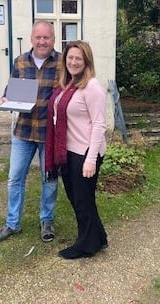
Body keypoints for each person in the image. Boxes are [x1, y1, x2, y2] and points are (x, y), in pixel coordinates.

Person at [0, 20, 62, 243]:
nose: (42, 41)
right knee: (14, 178)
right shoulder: (20, 61)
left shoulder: (62, 63)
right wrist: (6, 96)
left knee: (49, 178)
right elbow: (12, 88)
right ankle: (12, 223)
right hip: (23, 131)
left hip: (48, 132)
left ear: (53, 39)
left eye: (46, 37)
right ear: (31, 38)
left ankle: (46, 220)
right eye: (38, 37)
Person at [45, 40, 108, 259]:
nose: (73, 62)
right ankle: (98, 237)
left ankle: (86, 246)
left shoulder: (93, 87)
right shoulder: (69, 84)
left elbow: (99, 124)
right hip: (69, 151)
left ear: (86, 61)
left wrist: (91, 160)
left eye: (78, 59)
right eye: (70, 58)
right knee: (80, 199)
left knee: (82, 200)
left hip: (85, 153)